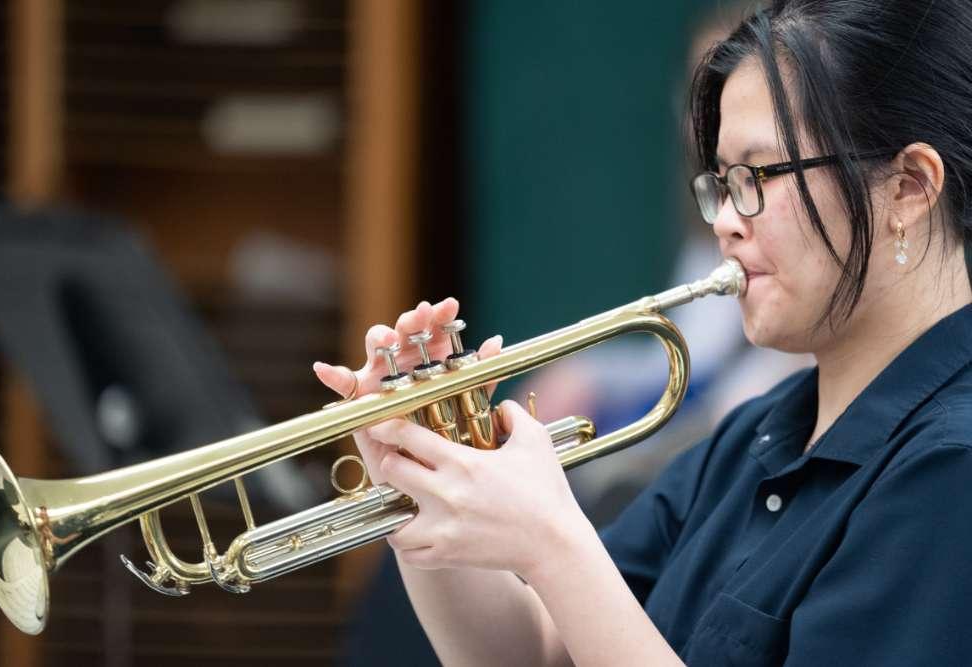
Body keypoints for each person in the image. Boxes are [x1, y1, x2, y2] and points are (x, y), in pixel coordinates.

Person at [314, 1, 972, 663]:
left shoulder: (951, 468)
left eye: (759, 177)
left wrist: (552, 541)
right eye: (721, 182)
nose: (726, 222)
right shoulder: (751, 439)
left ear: (909, 188)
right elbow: (533, 655)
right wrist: (419, 470)